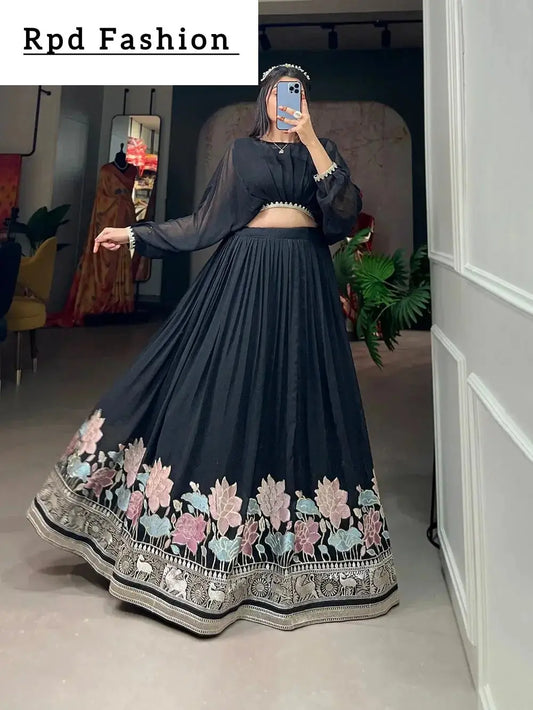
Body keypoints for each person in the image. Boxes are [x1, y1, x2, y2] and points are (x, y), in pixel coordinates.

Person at [28, 63, 399, 636]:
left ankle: (296, 548)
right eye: (280, 91)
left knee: (300, 398)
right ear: (265, 98)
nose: (289, 100)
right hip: (247, 277)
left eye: (298, 92)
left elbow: (344, 215)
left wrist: (309, 140)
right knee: (225, 391)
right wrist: (134, 234)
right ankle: (200, 545)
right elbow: (203, 225)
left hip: (305, 284)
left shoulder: (322, 151)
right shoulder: (242, 154)